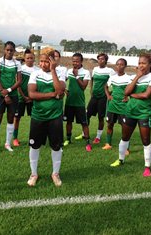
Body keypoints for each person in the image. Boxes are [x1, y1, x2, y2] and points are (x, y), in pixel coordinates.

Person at [110, 53, 151, 178]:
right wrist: (137, 77)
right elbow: (126, 92)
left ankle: (147, 167)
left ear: (150, 65)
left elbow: (146, 95)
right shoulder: (133, 77)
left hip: (144, 113)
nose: (141, 65)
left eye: (144, 63)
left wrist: (131, 95)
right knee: (124, 137)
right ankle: (120, 160)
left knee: (146, 140)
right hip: (130, 111)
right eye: (139, 63)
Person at [27, 47, 66, 187]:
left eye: (46, 62)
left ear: (53, 61)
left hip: (55, 116)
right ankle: (34, 173)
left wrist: (54, 70)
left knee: (56, 146)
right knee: (34, 146)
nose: (43, 64)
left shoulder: (61, 72)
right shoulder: (35, 74)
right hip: (38, 116)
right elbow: (32, 94)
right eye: (41, 61)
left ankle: (55, 173)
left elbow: (60, 91)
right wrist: (51, 95)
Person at [0, 41, 22, 156]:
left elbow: (19, 81)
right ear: (4, 50)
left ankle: (7, 144)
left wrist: (9, 91)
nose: (9, 52)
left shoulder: (17, 63)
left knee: (10, 119)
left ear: (14, 51)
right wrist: (5, 94)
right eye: (7, 50)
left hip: (13, 96)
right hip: (1, 95)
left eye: (11, 50)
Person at [76, 53, 116, 144]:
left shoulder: (110, 71)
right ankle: (84, 133)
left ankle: (98, 137)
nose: (100, 61)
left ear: (106, 60)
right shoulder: (95, 69)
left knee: (101, 117)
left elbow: (115, 82)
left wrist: (110, 93)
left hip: (103, 97)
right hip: (94, 96)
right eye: (98, 59)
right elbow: (92, 80)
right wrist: (91, 90)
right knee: (87, 115)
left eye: (102, 59)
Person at [63, 53, 92, 152]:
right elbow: (62, 81)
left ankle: (88, 142)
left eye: (77, 61)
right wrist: (64, 90)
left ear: (81, 61)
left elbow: (83, 86)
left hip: (80, 103)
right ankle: (68, 139)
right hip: (69, 102)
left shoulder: (86, 72)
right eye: (73, 61)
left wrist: (76, 75)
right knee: (69, 122)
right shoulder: (68, 71)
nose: (75, 63)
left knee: (84, 123)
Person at [103, 58, 131, 152]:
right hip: (112, 105)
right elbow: (106, 86)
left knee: (125, 127)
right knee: (110, 125)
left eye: (121, 64)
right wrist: (108, 96)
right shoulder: (112, 77)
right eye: (117, 64)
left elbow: (132, 90)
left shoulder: (128, 78)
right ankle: (108, 143)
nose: (119, 66)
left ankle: (126, 148)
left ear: (125, 66)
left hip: (123, 106)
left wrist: (128, 96)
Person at [13, 49, 39, 146]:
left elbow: (38, 85)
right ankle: (15, 138)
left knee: (34, 118)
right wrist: (24, 96)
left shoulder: (37, 70)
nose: (29, 60)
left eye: (31, 58)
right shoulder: (21, 69)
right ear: (24, 58)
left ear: (34, 58)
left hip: (33, 98)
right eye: (28, 58)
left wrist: (31, 97)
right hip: (20, 98)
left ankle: (33, 138)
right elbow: (18, 83)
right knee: (17, 118)